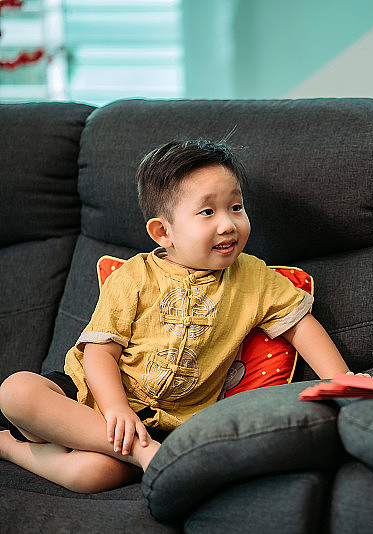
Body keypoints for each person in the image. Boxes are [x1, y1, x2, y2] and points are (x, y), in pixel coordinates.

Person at [0, 139, 355, 493]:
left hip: (166, 426)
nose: (228, 224)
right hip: (89, 397)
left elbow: (300, 325)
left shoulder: (254, 278)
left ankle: (13, 447)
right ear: (163, 232)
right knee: (16, 391)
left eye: (235, 206)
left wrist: (343, 381)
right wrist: (116, 410)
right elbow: (99, 352)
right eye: (207, 212)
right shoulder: (135, 276)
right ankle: (127, 449)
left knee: (92, 476)